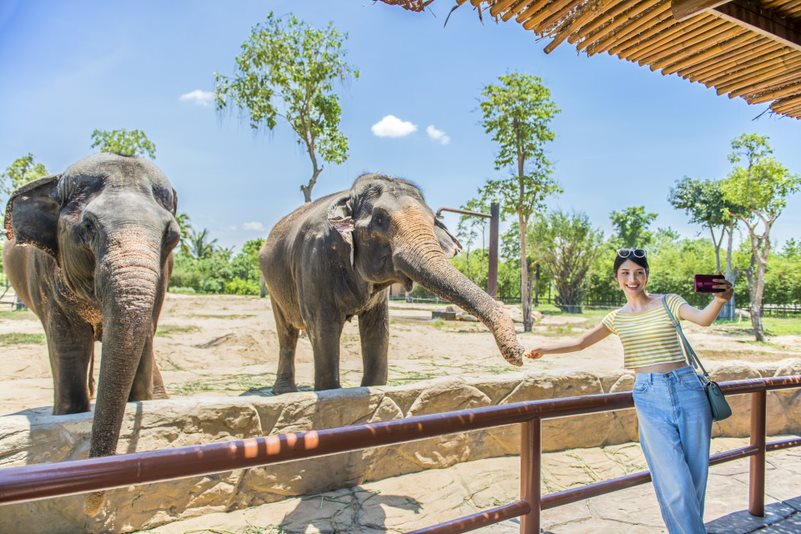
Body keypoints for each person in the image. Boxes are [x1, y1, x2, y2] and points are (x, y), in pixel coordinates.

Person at [527, 248, 733, 534]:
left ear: (647, 275)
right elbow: (580, 343)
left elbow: (702, 318)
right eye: (625, 273)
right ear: (617, 278)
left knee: (695, 476)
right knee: (674, 480)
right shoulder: (616, 318)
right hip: (650, 396)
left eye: (638, 272)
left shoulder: (669, 302)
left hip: (688, 389)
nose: (632, 279)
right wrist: (544, 349)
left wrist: (720, 300)